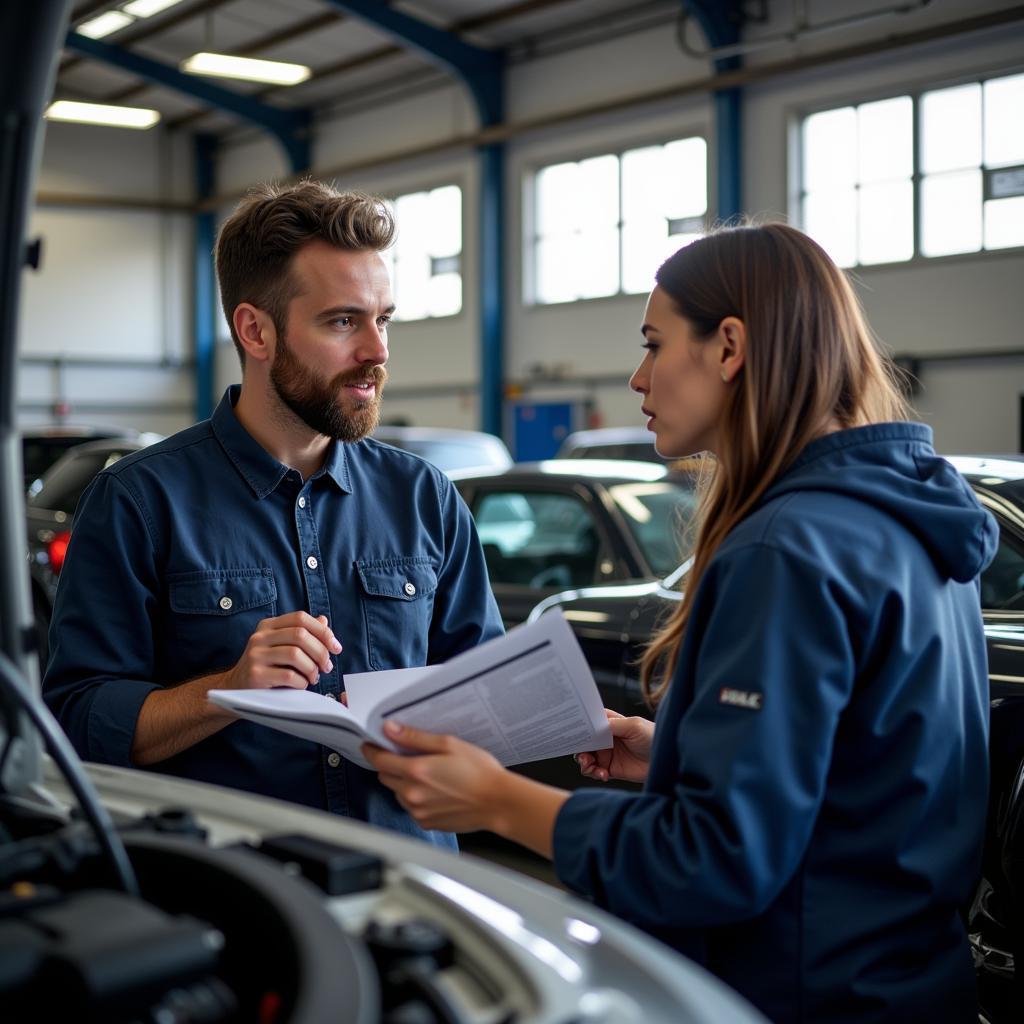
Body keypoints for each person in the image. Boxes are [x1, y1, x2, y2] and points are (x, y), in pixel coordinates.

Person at [364, 222, 996, 1019]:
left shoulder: (786, 550)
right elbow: (872, 777)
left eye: (654, 344)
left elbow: (715, 861)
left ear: (729, 346)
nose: (637, 377)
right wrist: (677, 755)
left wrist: (497, 802)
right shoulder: (909, 521)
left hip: (804, 995)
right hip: (906, 982)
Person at [43, 180, 503, 849]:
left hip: (409, 884)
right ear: (255, 330)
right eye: (344, 321)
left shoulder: (426, 498)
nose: (377, 351)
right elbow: (79, 722)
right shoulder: (139, 502)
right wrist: (229, 689)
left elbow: (485, 693)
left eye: (384, 319)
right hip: (233, 896)